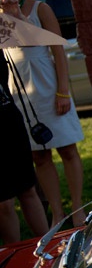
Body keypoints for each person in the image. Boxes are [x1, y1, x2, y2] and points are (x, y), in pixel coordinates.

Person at [0, 0, 86, 227]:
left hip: (48, 85)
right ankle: (58, 213)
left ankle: (78, 208)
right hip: (19, 93)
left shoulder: (40, 9)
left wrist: (63, 91)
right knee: (39, 155)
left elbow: (57, 51)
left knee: (67, 149)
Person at [0, 51, 49, 244]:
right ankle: (14, 255)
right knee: (4, 202)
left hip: (9, 125)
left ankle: (48, 247)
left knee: (28, 190)